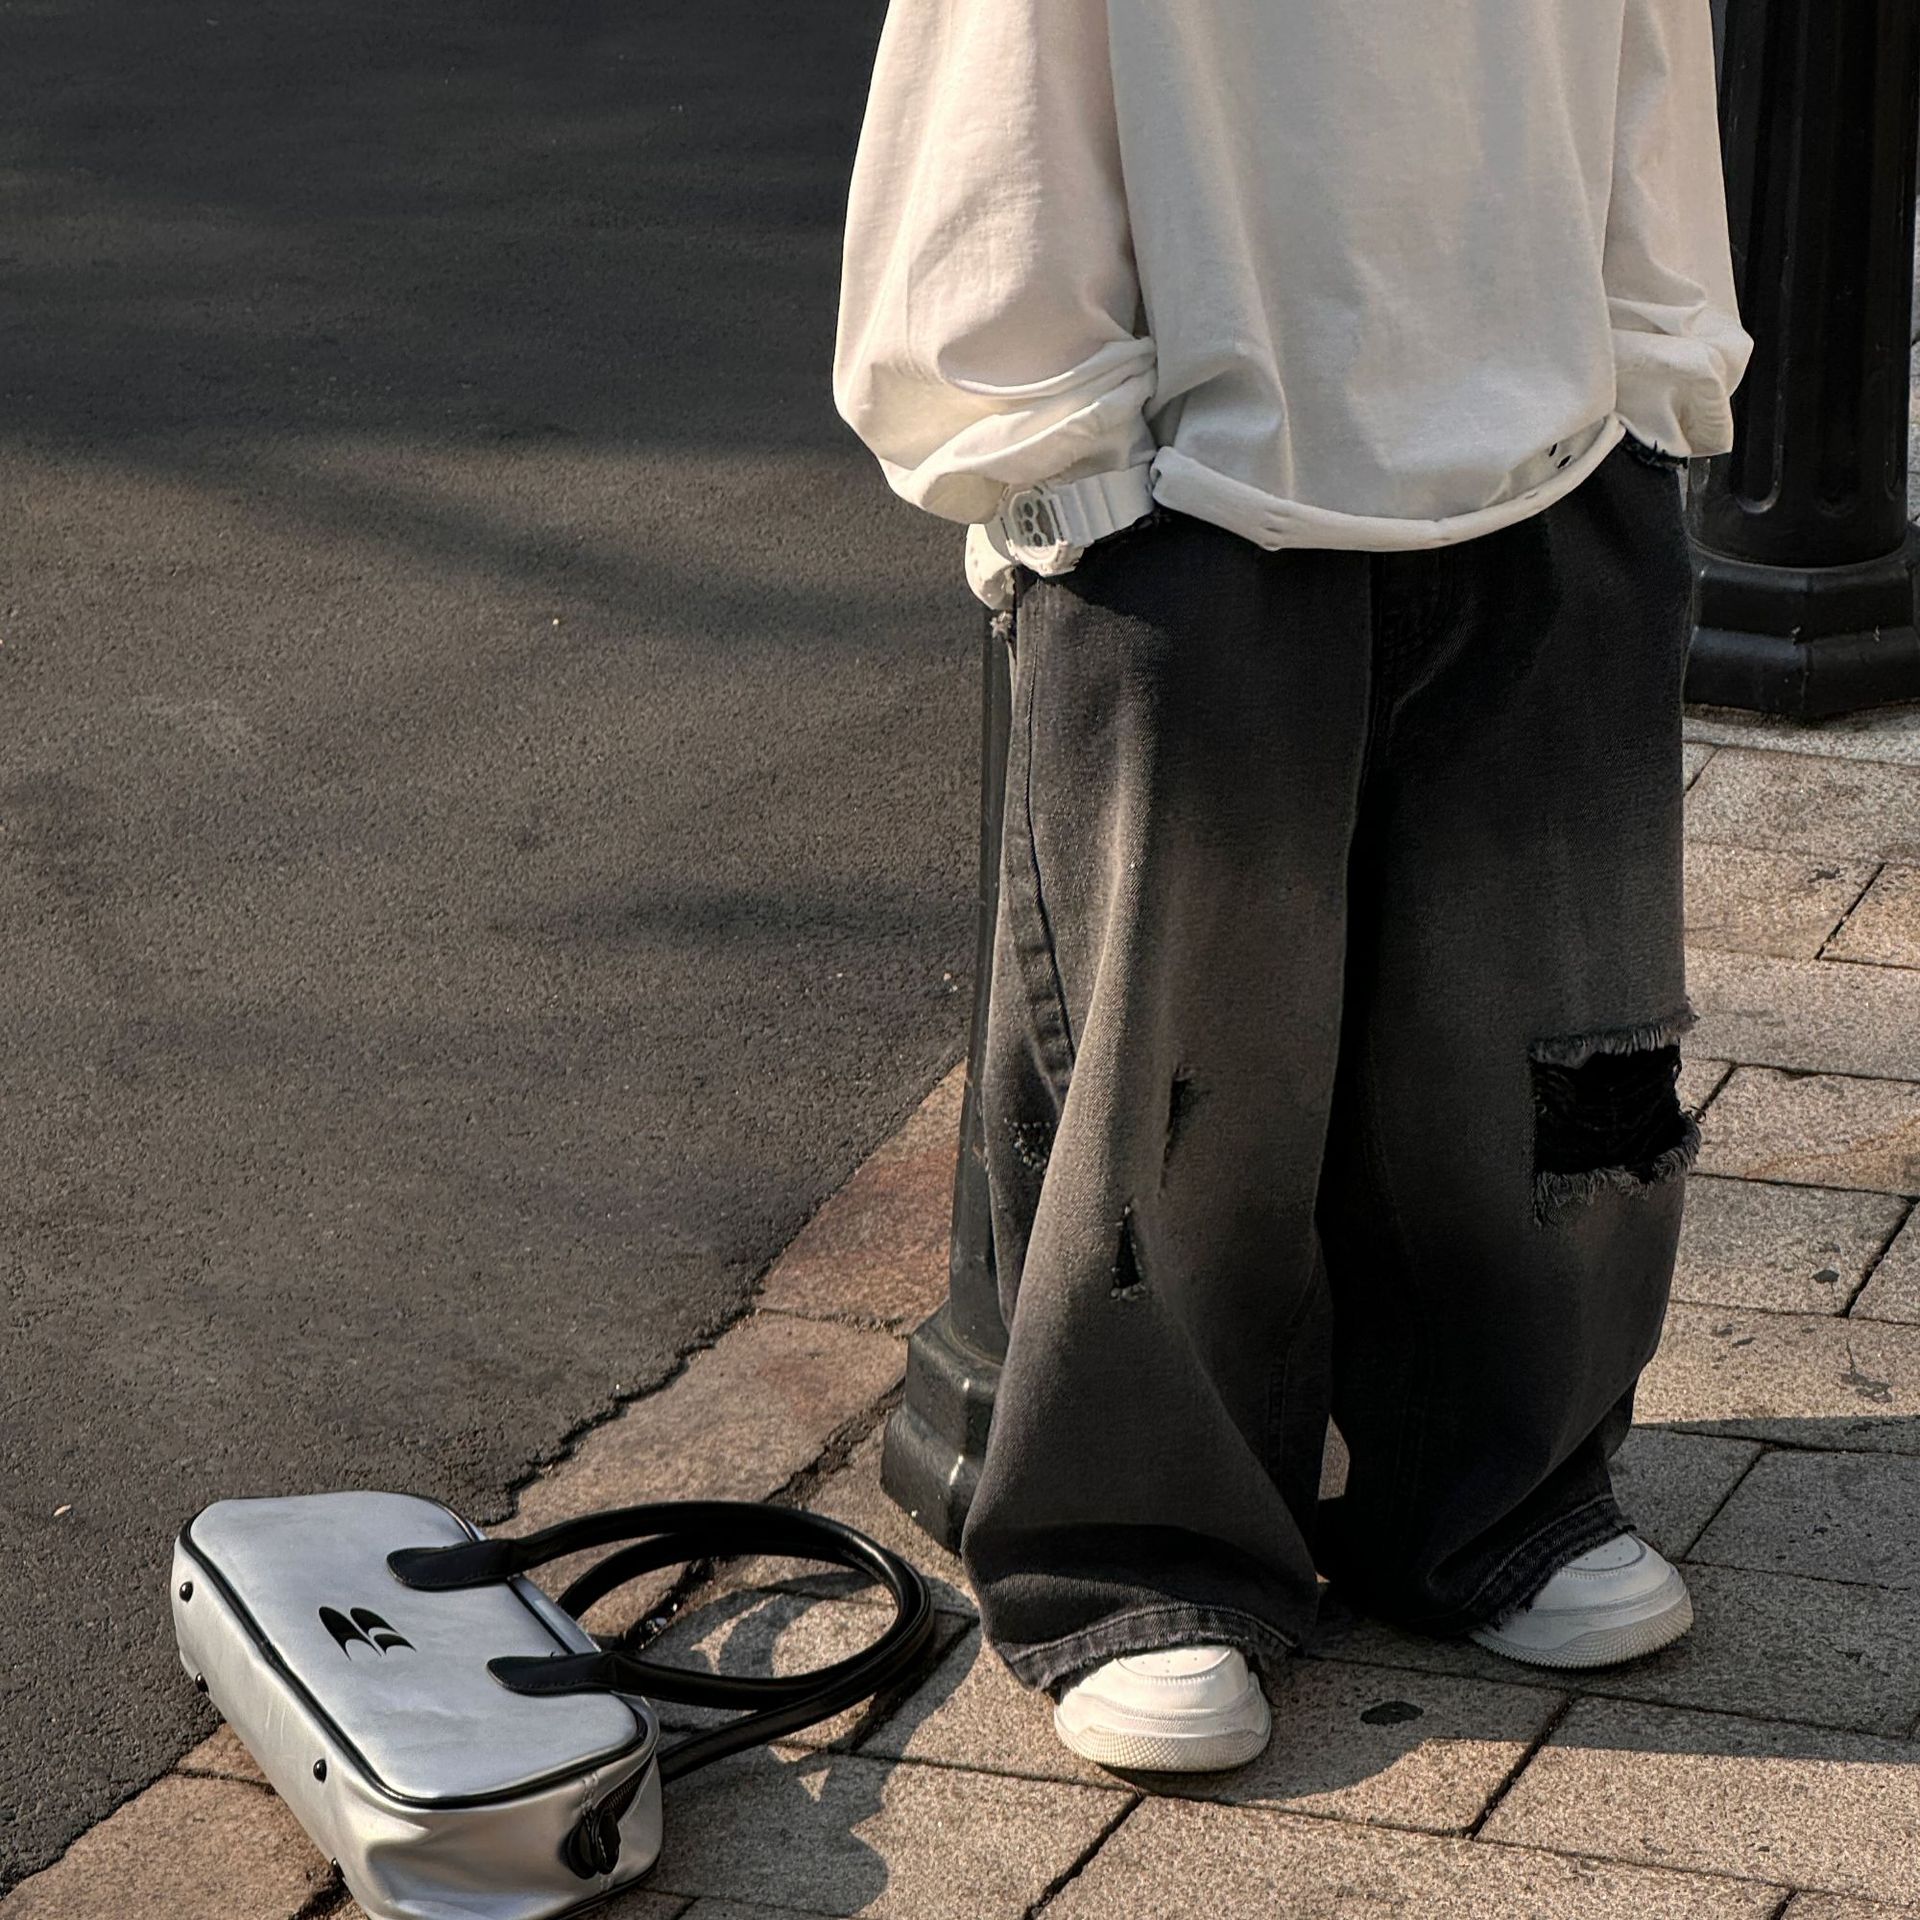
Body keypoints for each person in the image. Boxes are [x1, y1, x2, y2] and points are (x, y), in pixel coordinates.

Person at [832, 0, 1752, 1772]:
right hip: (1192, 492)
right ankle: (1136, 1556)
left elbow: (1647, 55)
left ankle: (1510, 1488)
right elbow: (997, 85)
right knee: (1179, 1076)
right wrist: (1053, 455)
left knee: (1560, 1053)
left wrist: (1656, 375)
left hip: (1553, 462)